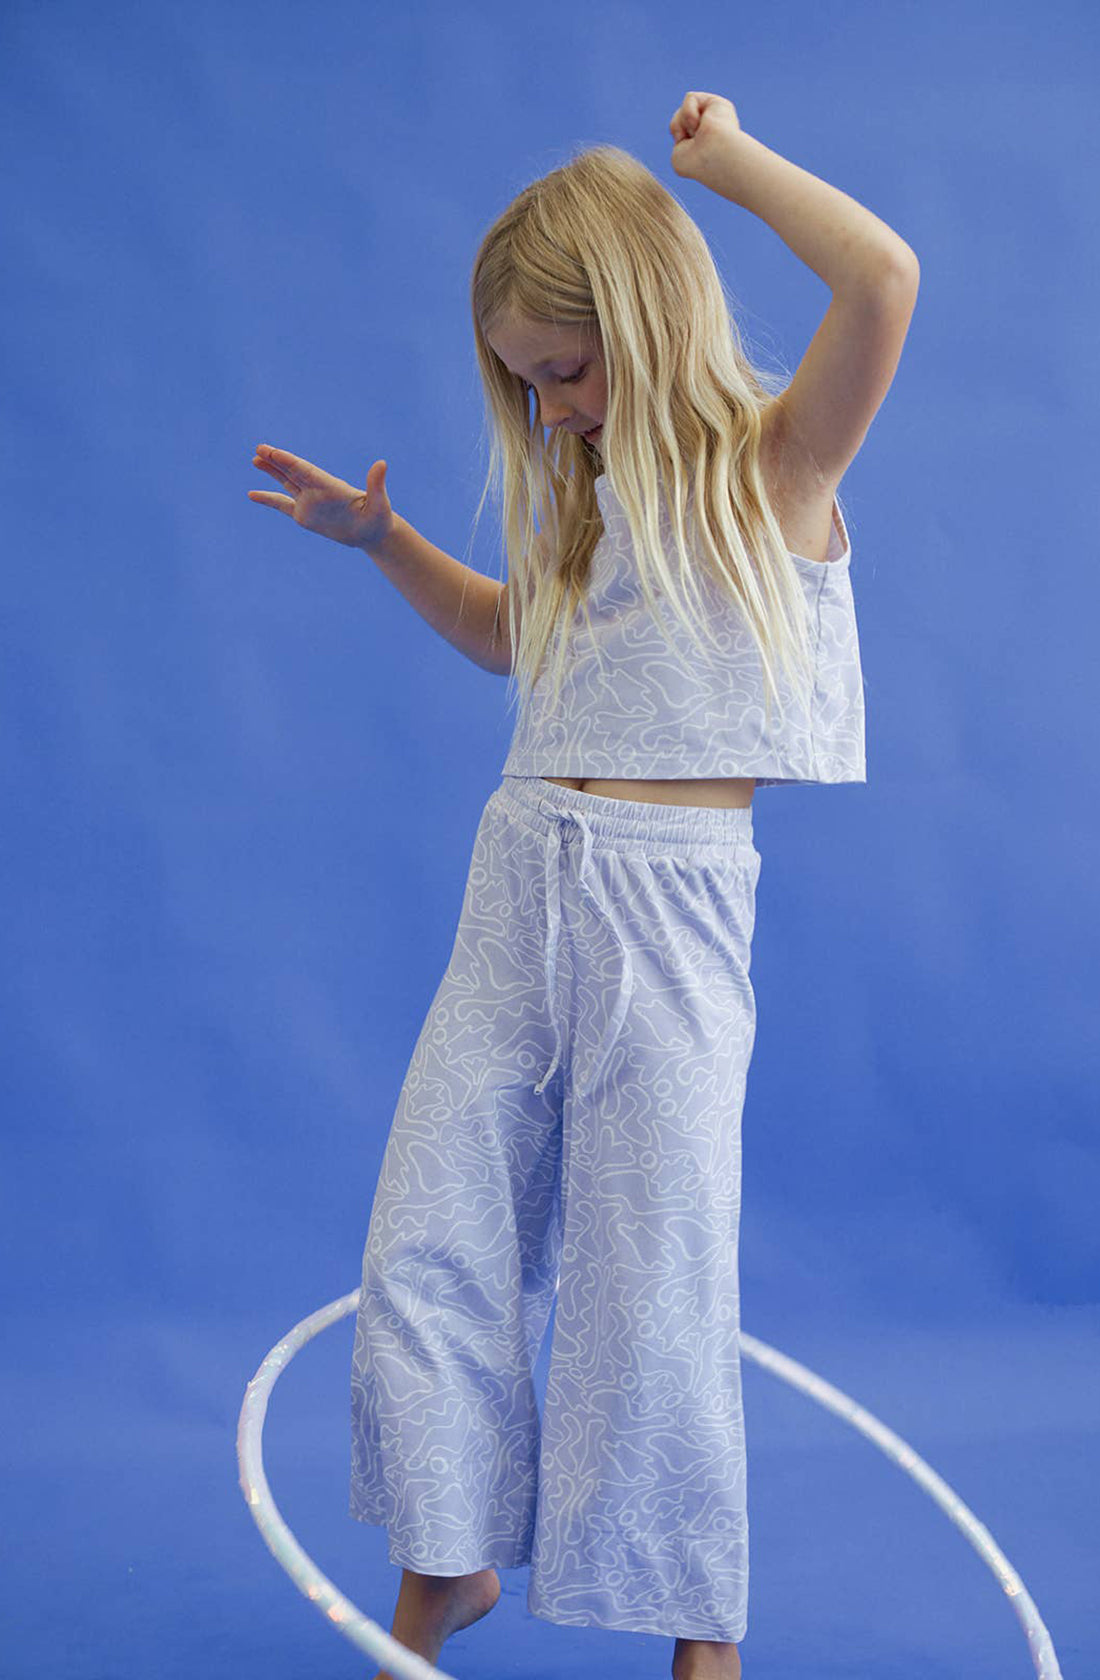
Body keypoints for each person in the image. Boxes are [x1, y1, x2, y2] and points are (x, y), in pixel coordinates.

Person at [248, 90, 919, 1680]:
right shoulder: (586, 506)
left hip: (669, 914)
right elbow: (512, 643)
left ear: (645, 317)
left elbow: (882, 279)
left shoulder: (777, 471)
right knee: (429, 1234)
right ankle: (447, 1564)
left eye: (564, 372)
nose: (547, 414)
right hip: (517, 882)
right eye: (522, 385)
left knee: (655, 1275)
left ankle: (703, 1633)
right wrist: (386, 547)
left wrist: (728, 165)